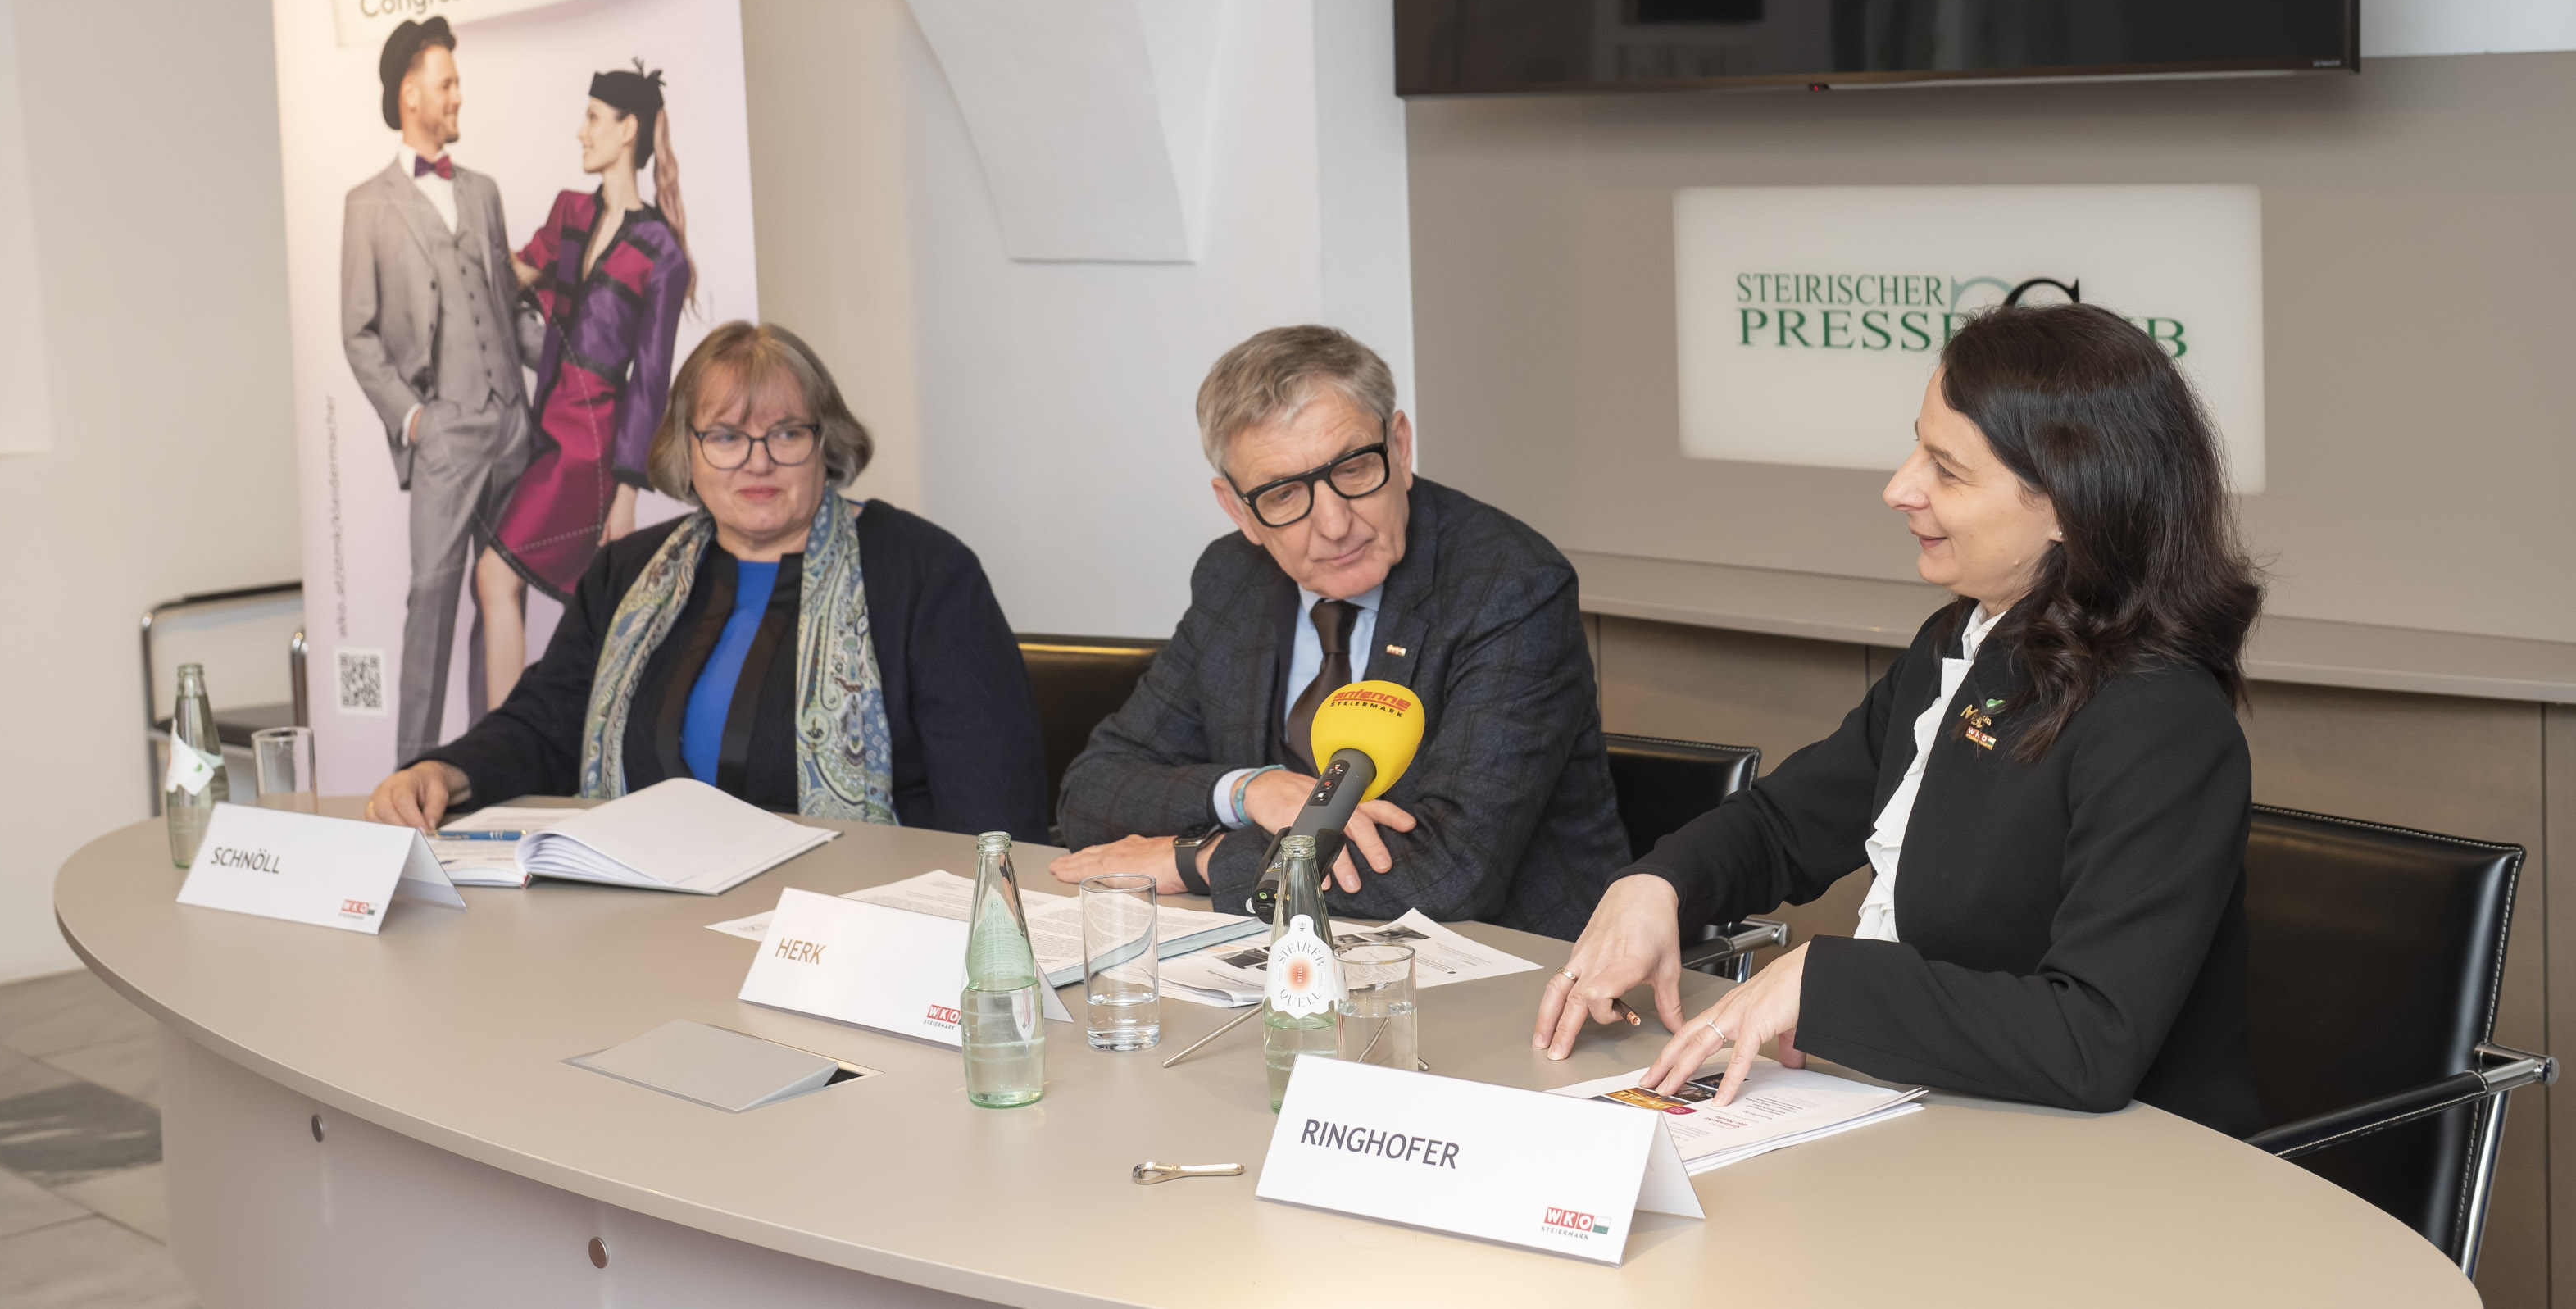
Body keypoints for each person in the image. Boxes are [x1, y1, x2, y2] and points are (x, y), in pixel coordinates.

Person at [1535, 302, 2265, 1136]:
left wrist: (1824, 983)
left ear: (2069, 504)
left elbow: (2091, 1039)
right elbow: (1788, 824)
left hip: (2120, 1177)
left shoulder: (2163, 720)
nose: (1899, 488)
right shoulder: (1965, 635)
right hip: (1943, 1124)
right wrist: (1656, 885)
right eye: (1916, 446)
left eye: (1946, 470)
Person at [368, 321, 1049, 839]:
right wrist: (444, 772)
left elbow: (995, 818)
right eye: (725, 436)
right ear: (685, 452)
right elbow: (547, 724)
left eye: (785, 434)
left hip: (847, 938)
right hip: (640, 924)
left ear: (825, 443)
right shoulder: (627, 573)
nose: (757, 463)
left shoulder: (927, 577)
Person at [1050, 325, 1625, 937]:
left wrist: (1196, 859)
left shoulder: (1507, 585)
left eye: (1352, 469)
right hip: (1287, 952)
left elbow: (1449, 873)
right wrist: (1252, 792)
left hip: (1507, 962)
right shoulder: (1231, 578)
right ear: (1238, 510)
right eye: (1282, 494)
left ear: (1399, 447)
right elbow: (1092, 792)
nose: (1332, 523)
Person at [470, 61, 696, 707]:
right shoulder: (570, 211)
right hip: (546, 428)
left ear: (628, 130)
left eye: (593, 117)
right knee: (584, 612)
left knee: (495, 574)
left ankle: (502, 742)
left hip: (593, 448)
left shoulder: (662, 250)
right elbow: (511, 276)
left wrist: (626, 494)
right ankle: (545, 741)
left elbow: (651, 380)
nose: (581, 131)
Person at [341, 16, 533, 766]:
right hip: (446, 433)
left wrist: (578, 378)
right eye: (447, 82)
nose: (458, 94)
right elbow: (357, 333)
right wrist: (413, 418)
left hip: (513, 429)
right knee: (433, 600)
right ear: (409, 92)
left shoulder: (482, 193)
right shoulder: (367, 204)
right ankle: (407, 779)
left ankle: (504, 764)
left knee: (506, 600)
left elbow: (509, 313)